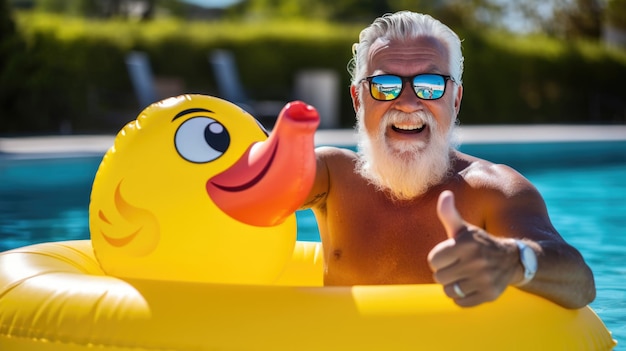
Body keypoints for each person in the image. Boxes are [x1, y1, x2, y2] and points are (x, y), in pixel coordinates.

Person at [299, 11, 595, 309]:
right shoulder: (332, 178)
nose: (407, 102)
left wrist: (511, 260)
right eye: (385, 85)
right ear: (358, 99)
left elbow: (580, 283)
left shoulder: (493, 191)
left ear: (455, 99)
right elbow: (265, 181)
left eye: (430, 85)